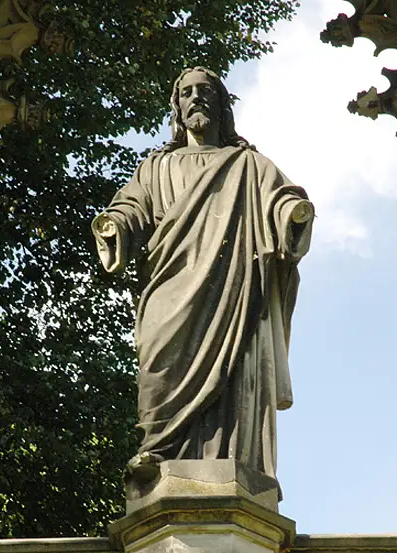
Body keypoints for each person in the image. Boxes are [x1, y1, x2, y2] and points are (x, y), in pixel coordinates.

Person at [92, 66, 313, 485]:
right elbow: (133, 208)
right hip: (170, 289)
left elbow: (280, 201)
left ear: (221, 104)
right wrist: (115, 224)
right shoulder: (155, 167)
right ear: (177, 107)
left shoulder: (249, 165)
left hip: (232, 289)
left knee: (233, 379)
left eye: (205, 91)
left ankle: (232, 470)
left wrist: (292, 214)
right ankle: (155, 454)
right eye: (187, 92)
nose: (196, 97)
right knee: (159, 369)